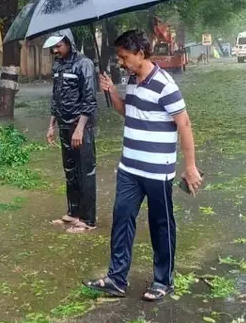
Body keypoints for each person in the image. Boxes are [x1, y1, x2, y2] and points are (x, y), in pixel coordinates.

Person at [84, 30, 202, 302]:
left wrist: (190, 167)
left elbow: (183, 124)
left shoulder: (165, 84)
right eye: (119, 57)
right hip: (129, 168)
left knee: (161, 224)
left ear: (140, 53)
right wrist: (112, 92)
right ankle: (116, 278)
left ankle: (163, 280)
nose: (121, 62)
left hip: (157, 170)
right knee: (122, 219)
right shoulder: (132, 80)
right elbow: (129, 111)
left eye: (125, 57)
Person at [43, 29, 98, 234]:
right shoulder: (58, 65)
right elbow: (55, 98)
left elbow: (90, 99)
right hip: (64, 126)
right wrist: (52, 125)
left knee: (86, 172)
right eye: (53, 47)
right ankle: (73, 212)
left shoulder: (84, 64)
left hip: (81, 127)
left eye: (59, 45)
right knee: (70, 171)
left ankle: (88, 219)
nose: (55, 50)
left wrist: (80, 128)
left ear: (69, 43)